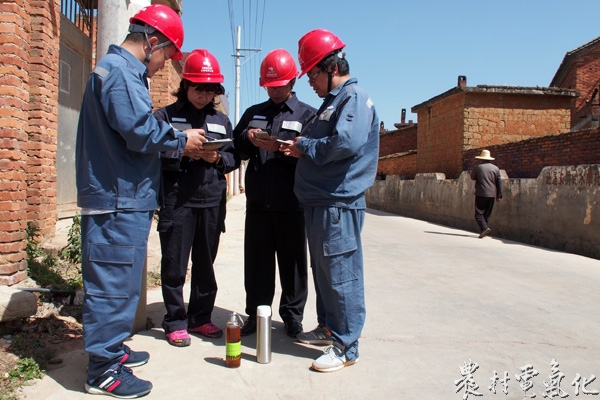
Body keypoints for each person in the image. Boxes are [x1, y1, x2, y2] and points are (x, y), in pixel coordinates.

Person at [75, 4, 204, 398]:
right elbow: (137, 130)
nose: (166, 65)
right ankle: (103, 370)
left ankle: (111, 350)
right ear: (152, 41)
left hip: (123, 195)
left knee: (123, 281)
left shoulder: (120, 72)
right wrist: (182, 140)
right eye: (167, 55)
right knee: (114, 284)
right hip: (117, 198)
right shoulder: (120, 74)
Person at [281, 29, 380, 372]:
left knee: (341, 273)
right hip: (321, 202)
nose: (309, 81)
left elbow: (345, 144)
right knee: (324, 270)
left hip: (337, 204)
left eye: (312, 73)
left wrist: (303, 147)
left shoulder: (352, 98)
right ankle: (328, 328)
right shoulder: (334, 102)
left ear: (331, 66)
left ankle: (346, 345)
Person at [154, 49, 239, 347]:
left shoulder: (221, 120)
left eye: (209, 90)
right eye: (197, 88)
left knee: (205, 264)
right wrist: (182, 150)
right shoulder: (165, 116)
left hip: (212, 202)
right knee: (175, 264)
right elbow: (152, 154)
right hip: (178, 201)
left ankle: (200, 317)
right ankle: (175, 320)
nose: (203, 95)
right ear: (185, 85)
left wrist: (216, 158)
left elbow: (233, 159)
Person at [233, 49, 316, 338]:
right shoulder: (253, 114)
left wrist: (282, 151)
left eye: (280, 85)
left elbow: (314, 158)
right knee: (257, 263)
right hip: (258, 204)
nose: (276, 91)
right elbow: (235, 148)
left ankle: (292, 317)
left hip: (292, 205)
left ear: (293, 81)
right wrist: (247, 137)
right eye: (270, 86)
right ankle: (256, 315)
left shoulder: (309, 115)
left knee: (293, 265)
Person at [470, 149, 502, 238]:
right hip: (492, 194)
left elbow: (472, 177)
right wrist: (499, 195)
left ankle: (484, 228)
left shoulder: (478, 167)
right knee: (487, 215)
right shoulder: (496, 169)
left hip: (481, 193)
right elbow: (499, 182)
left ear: (481, 159)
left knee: (478, 214)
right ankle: (483, 231)